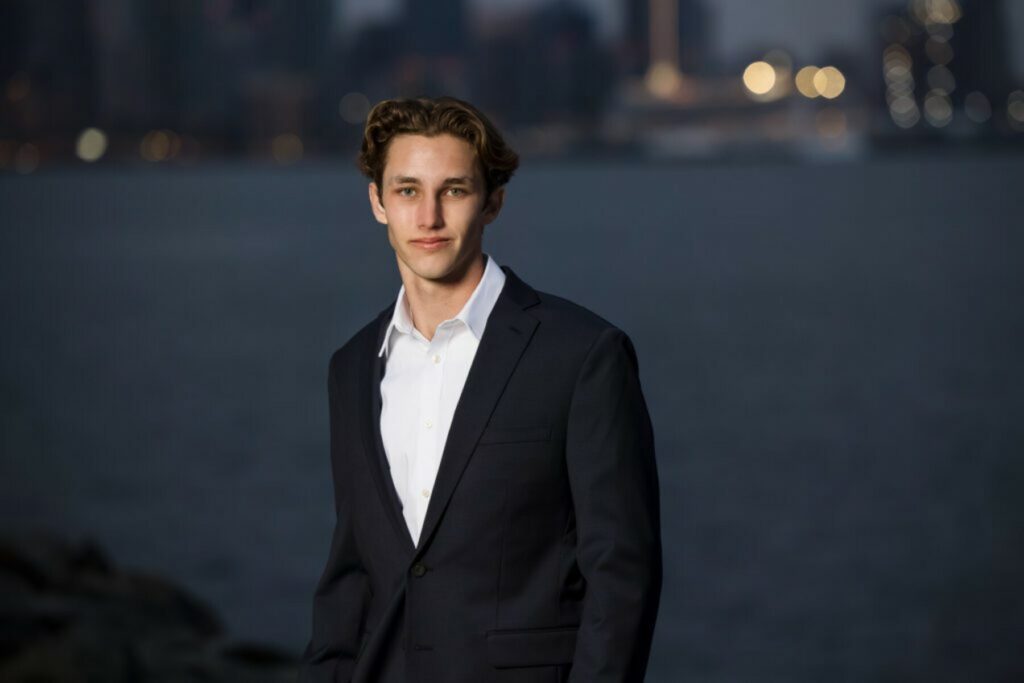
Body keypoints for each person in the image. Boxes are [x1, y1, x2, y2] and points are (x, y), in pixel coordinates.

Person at [298, 95, 661, 683]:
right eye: (408, 191)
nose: (429, 217)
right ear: (378, 202)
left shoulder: (582, 354)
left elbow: (622, 575)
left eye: (455, 190)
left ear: (493, 201)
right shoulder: (353, 366)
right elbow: (351, 578)